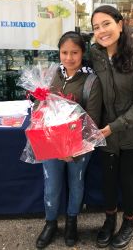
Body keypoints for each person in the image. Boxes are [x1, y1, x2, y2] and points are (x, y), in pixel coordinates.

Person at [90, 5, 133, 248]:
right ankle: (109, 221)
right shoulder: (95, 52)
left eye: (106, 23)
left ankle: (129, 222)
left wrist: (114, 127)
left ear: (120, 23)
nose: (102, 31)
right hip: (107, 130)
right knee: (108, 178)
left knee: (127, 178)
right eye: (96, 27)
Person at [36, 31, 103, 249]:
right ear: (59, 53)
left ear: (83, 53)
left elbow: (91, 119)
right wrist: (37, 103)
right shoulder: (51, 75)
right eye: (64, 52)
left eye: (74, 52)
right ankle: (50, 222)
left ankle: (72, 221)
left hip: (80, 146)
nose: (69, 57)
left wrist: (71, 146)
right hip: (50, 143)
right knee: (52, 184)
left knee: (77, 183)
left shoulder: (91, 82)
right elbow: (41, 109)